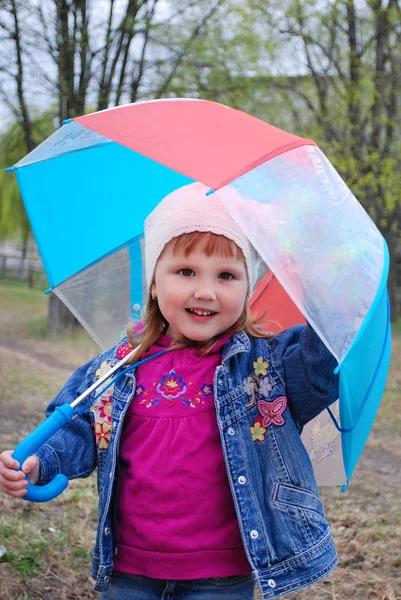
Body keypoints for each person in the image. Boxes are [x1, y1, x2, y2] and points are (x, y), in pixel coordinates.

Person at [0, 182, 339, 600]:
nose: (205, 290)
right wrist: (41, 461)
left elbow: (323, 361)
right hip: (130, 570)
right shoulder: (120, 365)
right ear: (154, 285)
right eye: (185, 271)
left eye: (227, 276)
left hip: (222, 576)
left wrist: (324, 288)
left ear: (246, 290)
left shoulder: (264, 366)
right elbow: (81, 427)